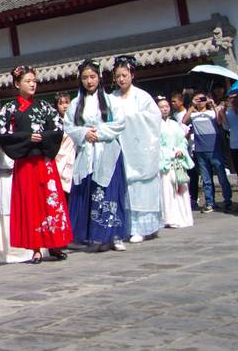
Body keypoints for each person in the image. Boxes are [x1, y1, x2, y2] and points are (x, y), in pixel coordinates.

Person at [0, 66, 72, 264]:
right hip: (26, 163)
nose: (32, 84)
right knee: (31, 204)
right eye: (27, 80)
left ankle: (54, 243)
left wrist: (43, 137)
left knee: (50, 201)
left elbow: (57, 128)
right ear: (17, 84)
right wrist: (28, 138)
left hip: (45, 161)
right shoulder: (9, 109)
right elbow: (3, 134)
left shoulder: (45, 107)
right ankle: (36, 248)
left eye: (34, 80)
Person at [64, 60, 128, 251]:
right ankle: (87, 235)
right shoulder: (75, 103)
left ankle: (114, 234)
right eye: (85, 78)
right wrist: (84, 133)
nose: (89, 81)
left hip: (107, 151)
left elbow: (120, 123)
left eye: (92, 77)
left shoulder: (111, 101)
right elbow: (69, 126)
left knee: (109, 191)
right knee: (87, 191)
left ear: (99, 77)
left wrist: (98, 133)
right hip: (86, 153)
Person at [111, 56, 163, 242]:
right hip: (122, 148)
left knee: (143, 189)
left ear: (132, 75)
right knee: (127, 190)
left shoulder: (142, 97)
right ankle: (132, 227)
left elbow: (153, 119)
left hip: (140, 149)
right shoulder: (112, 98)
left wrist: (128, 119)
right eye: (118, 76)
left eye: (125, 75)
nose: (121, 79)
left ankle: (148, 226)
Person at [0, 106, 34, 265]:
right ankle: (9, 250)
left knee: (22, 211)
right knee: (6, 213)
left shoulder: (21, 134)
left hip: (19, 174)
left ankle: (28, 247)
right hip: (5, 178)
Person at [182, 90, 232, 213]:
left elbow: (219, 121)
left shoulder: (211, 112)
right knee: (206, 179)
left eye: (202, 99)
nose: (200, 101)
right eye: (197, 99)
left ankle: (228, 201)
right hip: (200, 150)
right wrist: (192, 105)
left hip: (215, 148)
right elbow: (184, 121)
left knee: (221, 176)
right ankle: (210, 202)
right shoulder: (194, 114)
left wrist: (212, 104)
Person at [156, 96, 194, 228]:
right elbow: (155, 145)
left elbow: (182, 141)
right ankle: (169, 218)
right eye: (161, 107)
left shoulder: (174, 124)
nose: (165, 109)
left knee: (181, 189)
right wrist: (170, 153)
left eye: (166, 106)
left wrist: (180, 150)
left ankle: (184, 216)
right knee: (167, 190)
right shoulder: (154, 125)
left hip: (177, 161)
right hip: (165, 162)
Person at [54, 92, 76, 200]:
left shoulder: (77, 121)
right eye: (61, 103)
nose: (65, 106)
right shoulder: (55, 123)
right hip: (61, 159)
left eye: (67, 102)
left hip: (75, 157)